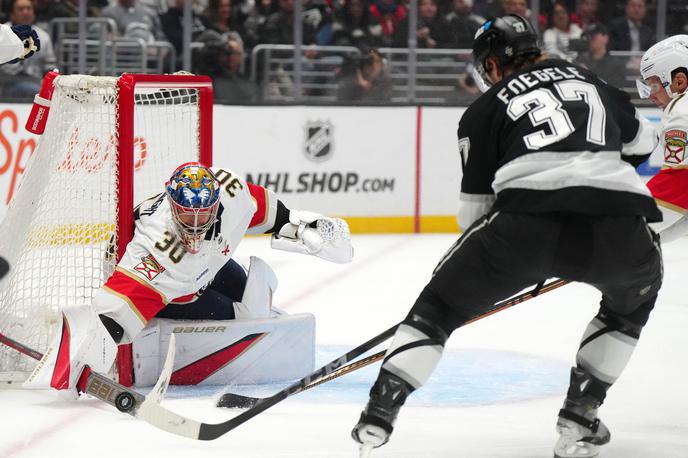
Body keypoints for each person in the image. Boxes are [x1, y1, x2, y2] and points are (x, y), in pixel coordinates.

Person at [351, 14, 662, 458]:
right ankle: (581, 414)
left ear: (493, 65)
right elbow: (642, 142)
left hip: (524, 222)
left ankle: (379, 415)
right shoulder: (594, 82)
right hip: (620, 223)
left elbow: (473, 214)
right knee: (631, 306)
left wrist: (495, 270)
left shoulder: (482, 109)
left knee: (437, 309)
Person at [24, 162, 353, 392]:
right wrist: (89, 347)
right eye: (185, 212)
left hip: (210, 264)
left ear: (216, 202)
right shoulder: (159, 248)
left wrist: (301, 226)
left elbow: (270, 212)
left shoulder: (232, 191)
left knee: (254, 293)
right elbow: (115, 308)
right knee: (251, 313)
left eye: (203, 212)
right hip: (176, 289)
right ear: (171, 201)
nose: (195, 222)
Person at [636, 35, 688, 243]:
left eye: (654, 86)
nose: (650, 96)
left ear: (679, 81)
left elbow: (678, 183)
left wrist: (625, 226)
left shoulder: (682, 114)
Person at [0, 0, 54, 96]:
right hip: (4, 82)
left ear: (34, 13)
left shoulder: (43, 36)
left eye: (29, 9)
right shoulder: (3, 32)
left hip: (35, 81)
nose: (25, 12)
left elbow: (50, 66)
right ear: (12, 14)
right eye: (20, 9)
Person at [575, 24, 626, 88]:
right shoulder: (580, 60)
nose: (589, 40)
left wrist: (589, 74)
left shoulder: (616, 64)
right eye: (587, 37)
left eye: (593, 37)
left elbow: (617, 89)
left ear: (605, 38)